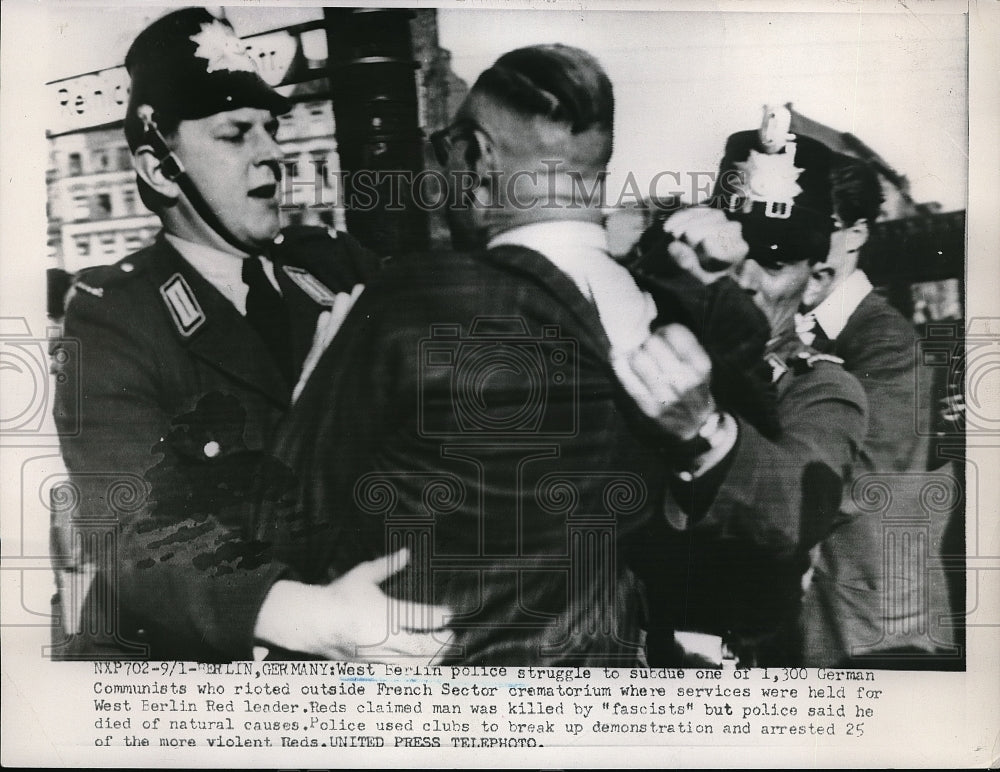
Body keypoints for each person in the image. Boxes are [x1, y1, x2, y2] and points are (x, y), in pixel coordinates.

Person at [259, 44, 753, 665]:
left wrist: (309, 393)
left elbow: (280, 522)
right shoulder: (674, 318)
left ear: (478, 156)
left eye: (446, 149)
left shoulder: (411, 304)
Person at [51, 8, 448, 662]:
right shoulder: (113, 319)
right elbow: (138, 533)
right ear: (158, 169)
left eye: (271, 128)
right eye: (236, 133)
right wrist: (307, 615)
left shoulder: (333, 267)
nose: (272, 152)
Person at [621, 109, 870, 666]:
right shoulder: (650, 345)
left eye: (774, 259)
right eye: (732, 249)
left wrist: (704, 433)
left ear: (817, 282)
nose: (745, 277)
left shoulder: (824, 389)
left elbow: (792, 513)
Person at [796, 155, 956, 666]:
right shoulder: (803, 326)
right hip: (833, 615)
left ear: (856, 234)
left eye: (809, 226)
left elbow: (856, 484)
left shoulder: (884, 342)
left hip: (871, 630)